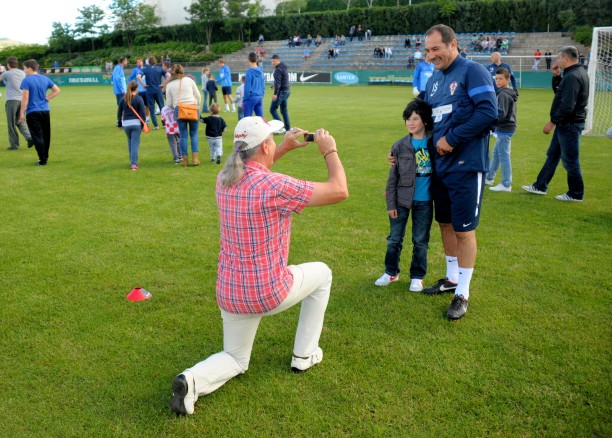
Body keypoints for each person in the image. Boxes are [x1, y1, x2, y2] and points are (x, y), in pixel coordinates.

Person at [170, 116, 348, 416]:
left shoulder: (224, 177)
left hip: (229, 291)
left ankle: (191, 381)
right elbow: (339, 190)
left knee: (236, 358)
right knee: (323, 274)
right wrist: (329, 150)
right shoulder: (275, 186)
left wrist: (287, 148)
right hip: (267, 291)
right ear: (266, 144)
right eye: (274, 140)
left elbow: (254, 170)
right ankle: (304, 355)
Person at [420, 24, 497, 320]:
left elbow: (488, 111)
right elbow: (428, 122)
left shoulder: (473, 71)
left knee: (464, 230)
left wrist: (452, 139)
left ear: (454, 45)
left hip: (467, 166)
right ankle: (451, 278)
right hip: (441, 167)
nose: (431, 56)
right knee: (445, 223)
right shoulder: (434, 80)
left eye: (436, 49)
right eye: (427, 50)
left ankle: (462, 292)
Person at [375, 99, 434, 292]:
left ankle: (417, 277)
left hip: (425, 202)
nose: (410, 122)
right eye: (408, 119)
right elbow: (392, 179)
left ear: (424, 120)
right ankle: (391, 272)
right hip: (401, 201)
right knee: (394, 239)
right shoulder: (399, 146)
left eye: (415, 118)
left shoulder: (435, 142)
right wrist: (390, 204)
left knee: (421, 241)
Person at [522, 46, 589, 202]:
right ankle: (540, 186)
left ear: (566, 58)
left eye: (558, 58)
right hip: (565, 124)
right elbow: (560, 94)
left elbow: (567, 106)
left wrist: (552, 122)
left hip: (570, 124)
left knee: (570, 161)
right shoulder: (574, 73)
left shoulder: (573, 76)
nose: (557, 61)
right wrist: (556, 76)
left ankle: (576, 194)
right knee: (553, 156)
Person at [19, 59, 61, 166]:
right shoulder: (45, 78)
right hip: (45, 110)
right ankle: (45, 157)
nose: (24, 71)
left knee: (37, 136)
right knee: (46, 135)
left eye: (24, 69)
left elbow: (25, 97)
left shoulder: (26, 81)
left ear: (29, 68)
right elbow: (57, 90)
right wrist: (47, 99)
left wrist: (21, 113)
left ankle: (42, 160)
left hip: (33, 111)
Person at [485, 67, 518, 192]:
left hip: (505, 128)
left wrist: (489, 122)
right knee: (497, 154)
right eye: (496, 78)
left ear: (508, 79)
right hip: (505, 128)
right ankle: (489, 177)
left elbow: (501, 114)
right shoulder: (506, 91)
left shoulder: (504, 94)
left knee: (503, 155)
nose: (498, 81)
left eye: (501, 79)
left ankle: (506, 184)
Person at [165, 64, 201, 167]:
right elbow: (198, 95)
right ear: (182, 70)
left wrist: (175, 106)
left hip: (179, 109)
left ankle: (185, 160)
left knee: (183, 135)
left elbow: (168, 103)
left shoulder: (170, 85)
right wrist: (197, 105)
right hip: (193, 108)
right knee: (194, 134)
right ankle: (195, 158)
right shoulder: (189, 80)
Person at [0, 56, 33, 150]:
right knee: (20, 121)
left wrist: (2, 71)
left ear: (8, 64)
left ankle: (14, 145)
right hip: (23, 100)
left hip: (12, 101)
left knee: (11, 123)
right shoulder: (22, 72)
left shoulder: (7, 74)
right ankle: (29, 138)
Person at [117, 81, 146, 170]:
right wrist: (143, 125)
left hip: (126, 123)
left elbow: (119, 112)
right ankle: (134, 163)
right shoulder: (139, 99)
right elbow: (142, 113)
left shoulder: (123, 99)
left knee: (130, 142)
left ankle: (132, 161)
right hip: (136, 123)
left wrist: (119, 124)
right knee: (135, 144)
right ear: (136, 88)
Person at [142, 56, 170, 130]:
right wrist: (163, 84)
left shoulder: (145, 69)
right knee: (162, 107)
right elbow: (169, 75)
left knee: (151, 108)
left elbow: (138, 76)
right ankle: (164, 124)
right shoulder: (159, 69)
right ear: (155, 61)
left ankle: (156, 125)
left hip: (149, 90)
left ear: (149, 62)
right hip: (158, 89)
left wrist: (143, 85)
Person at [270, 54, 291, 134]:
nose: (272, 62)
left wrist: (275, 94)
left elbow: (278, 82)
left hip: (281, 92)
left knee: (272, 109)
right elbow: (281, 79)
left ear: (278, 60)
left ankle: (281, 127)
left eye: (274, 61)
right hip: (287, 90)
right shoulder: (283, 66)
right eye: (272, 61)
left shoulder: (277, 70)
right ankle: (287, 128)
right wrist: (274, 85)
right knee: (284, 110)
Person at [243, 52, 265, 118]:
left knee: (247, 120)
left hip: (251, 98)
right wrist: (261, 95)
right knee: (261, 121)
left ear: (249, 60)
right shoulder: (261, 72)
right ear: (257, 60)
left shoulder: (249, 72)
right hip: (259, 97)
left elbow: (247, 88)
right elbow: (263, 86)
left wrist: (245, 99)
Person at [112, 57, 128, 127]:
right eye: (126, 61)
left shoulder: (120, 68)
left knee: (123, 106)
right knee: (122, 106)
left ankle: (122, 121)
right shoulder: (118, 68)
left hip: (122, 90)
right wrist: (122, 88)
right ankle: (120, 122)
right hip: (121, 91)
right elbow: (115, 78)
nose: (127, 62)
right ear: (123, 61)